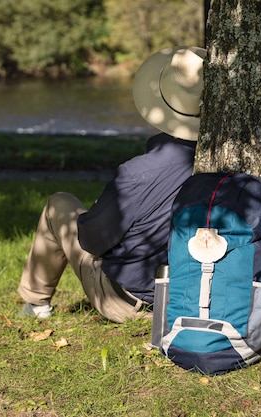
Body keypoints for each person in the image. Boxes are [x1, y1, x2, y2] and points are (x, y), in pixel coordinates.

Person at [17, 46, 206, 322]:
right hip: (198, 302)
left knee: (59, 203)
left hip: (131, 305)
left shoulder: (139, 172)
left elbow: (92, 241)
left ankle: (35, 304)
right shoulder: (228, 163)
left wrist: (97, 214)